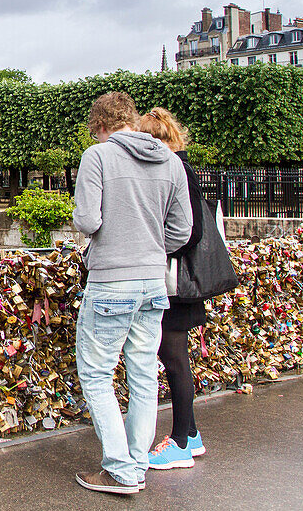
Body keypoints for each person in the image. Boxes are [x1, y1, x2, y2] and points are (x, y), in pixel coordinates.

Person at [72, 92, 192, 495]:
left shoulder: (98, 156)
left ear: (101, 126)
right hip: (154, 282)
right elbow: (182, 230)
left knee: (96, 373)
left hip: (111, 282)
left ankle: (120, 470)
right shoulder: (170, 160)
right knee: (143, 373)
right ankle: (137, 463)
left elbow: (88, 220)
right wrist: (151, 248)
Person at [136, 108, 207, 469]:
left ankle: (180, 442)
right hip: (180, 281)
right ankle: (190, 434)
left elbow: (190, 232)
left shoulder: (176, 170)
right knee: (177, 358)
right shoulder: (180, 167)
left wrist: (151, 246)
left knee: (175, 358)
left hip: (176, 282)